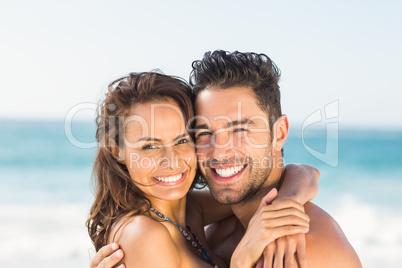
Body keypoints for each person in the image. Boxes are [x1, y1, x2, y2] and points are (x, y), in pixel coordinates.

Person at [87, 71, 320, 268]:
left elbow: (304, 173)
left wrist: (286, 203)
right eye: (150, 146)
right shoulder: (143, 234)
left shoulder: (191, 210)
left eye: (181, 140)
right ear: (116, 150)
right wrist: (241, 260)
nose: (171, 161)